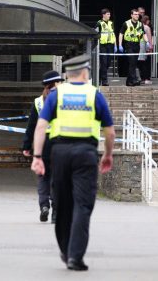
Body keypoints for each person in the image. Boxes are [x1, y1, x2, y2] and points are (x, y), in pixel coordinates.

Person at [31, 54, 115, 271]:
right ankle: (75, 256)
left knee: (63, 203)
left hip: (59, 153)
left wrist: (37, 157)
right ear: (86, 72)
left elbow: (41, 126)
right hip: (85, 154)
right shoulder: (94, 95)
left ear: (67, 74)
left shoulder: (56, 95)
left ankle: (65, 249)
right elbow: (109, 131)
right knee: (83, 204)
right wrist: (108, 155)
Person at [22, 70, 64, 223]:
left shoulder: (38, 101)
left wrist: (26, 146)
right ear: (57, 83)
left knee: (42, 177)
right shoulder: (64, 99)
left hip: (42, 144)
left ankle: (44, 205)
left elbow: (31, 126)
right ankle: (55, 212)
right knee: (56, 178)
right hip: (59, 142)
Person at [119, 9, 150, 86]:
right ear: (131, 15)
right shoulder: (126, 23)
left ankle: (129, 81)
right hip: (128, 45)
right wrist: (120, 45)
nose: (137, 16)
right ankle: (133, 79)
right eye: (135, 14)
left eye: (138, 14)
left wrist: (147, 42)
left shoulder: (140, 24)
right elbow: (121, 34)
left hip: (137, 44)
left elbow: (143, 34)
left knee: (134, 63)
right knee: (132, 62)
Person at [94, 8, 116, 86]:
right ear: (103, 15)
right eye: (108, 14)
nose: (109, 16)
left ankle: (99, 77)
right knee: (103, 63)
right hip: (102, 45)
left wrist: (115, 45)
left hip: (110, 45)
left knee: (108, 63)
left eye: (109, 14)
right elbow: (95, 33)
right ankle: (104, 81)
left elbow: (113, 34)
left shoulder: (111, 23)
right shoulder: (99, 23)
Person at [138, 15, 154, 85]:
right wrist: (151, 46)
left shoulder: (138, 27)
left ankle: (141, 78)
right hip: (145, 47)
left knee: (140, 64)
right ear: (147, 21)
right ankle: (146, 79)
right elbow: (149, 38)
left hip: (139, 47)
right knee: (146, 63)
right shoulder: (147, 27)